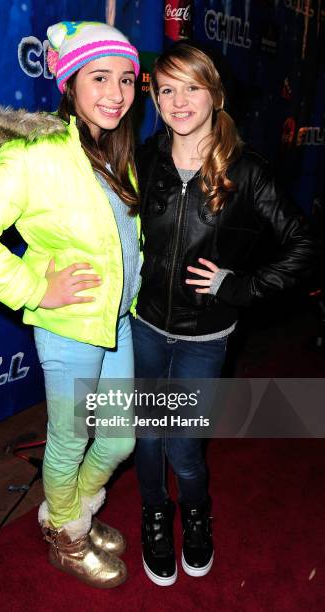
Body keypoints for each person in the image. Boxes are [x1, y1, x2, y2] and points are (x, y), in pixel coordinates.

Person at [0, 21, 141, 589]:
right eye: (99, 77)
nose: (116, 92)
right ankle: (66, 535)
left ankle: (69, 510)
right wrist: (34, 290)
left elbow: (123, 236)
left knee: (120, 437)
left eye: (126, 79)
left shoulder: (111, 149)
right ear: (70, 84)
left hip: (116, 321)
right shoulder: (36, 157)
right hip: (70, 326)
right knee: (71, 438)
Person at [132, 41, 318, 586]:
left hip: (204, 336)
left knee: (183, 447)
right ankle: (154, 516)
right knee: (146, 436)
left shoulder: (248, 170)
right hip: (142, 327)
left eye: (192, 86)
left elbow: (305, 246)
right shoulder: (146, 158)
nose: (179, 100)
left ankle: (195, 514)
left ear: (215, 93)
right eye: (166, 89)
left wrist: (239, 285)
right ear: (156, 99)